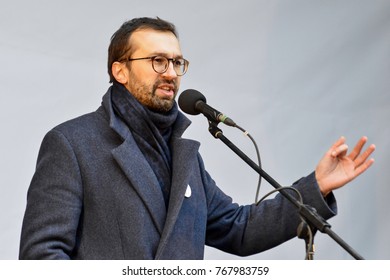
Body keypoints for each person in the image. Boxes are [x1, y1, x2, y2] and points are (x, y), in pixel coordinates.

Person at [19, 17, 375, 260]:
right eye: (158, 60)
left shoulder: (183, 155)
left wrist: (317, 186)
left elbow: (238, 230)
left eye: (177, 62)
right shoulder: (72, 144)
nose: (171, 73)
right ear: (120, 70)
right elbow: (42, 257)